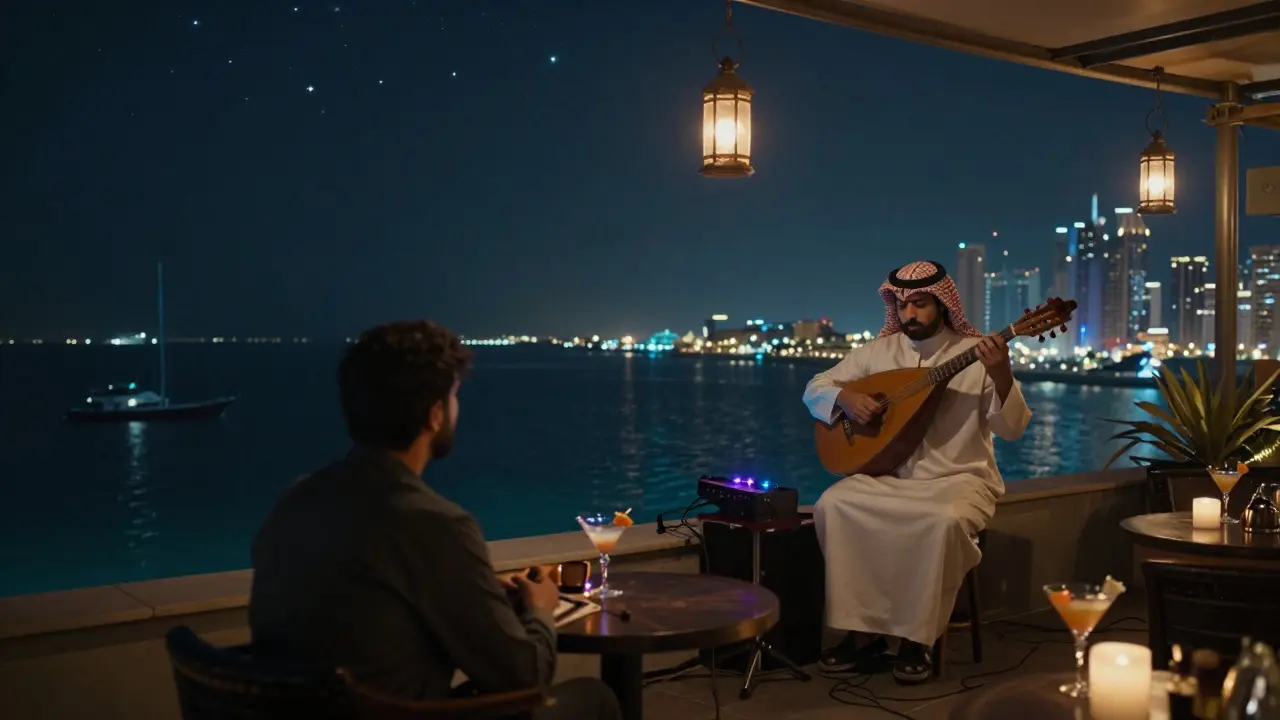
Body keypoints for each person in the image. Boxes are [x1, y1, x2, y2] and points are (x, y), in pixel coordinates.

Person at [248, 320, 620, 720]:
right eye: (455, 396)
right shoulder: (434, 524)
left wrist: (472, 589)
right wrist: (541, 610)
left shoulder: (296, 501)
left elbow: (369, 604)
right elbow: (525, 676)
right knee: (594, 699)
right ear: (435, 414)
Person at [801, 260, 1032, 684]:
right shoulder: (878, 353)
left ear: (943, 305)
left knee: (939, 521)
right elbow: (815, 387)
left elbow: (1013, 428)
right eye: (902, 305)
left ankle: (917, 639)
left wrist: (1001, 373)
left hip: (959, 480)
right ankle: (861, 633)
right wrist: (847, 399)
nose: (909, 314)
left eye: (920, 304)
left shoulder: (978, 352)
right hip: (888, 478)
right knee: (834, 504)